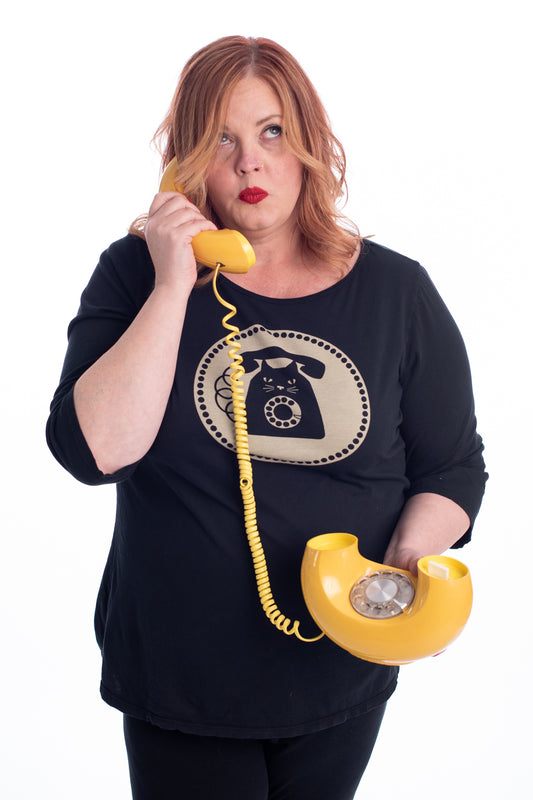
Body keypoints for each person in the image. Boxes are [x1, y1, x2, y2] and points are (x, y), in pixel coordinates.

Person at [46, 35, 487, 800]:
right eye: (222, 138)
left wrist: (404, 569)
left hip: (341, 663)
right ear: (189, 160)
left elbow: (451, 466)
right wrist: (171, 285)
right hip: (183, 679)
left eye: (271, 131)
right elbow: (96, 451)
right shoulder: (135, 275)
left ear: (308, 144)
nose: (249, 161)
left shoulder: (395, 292)